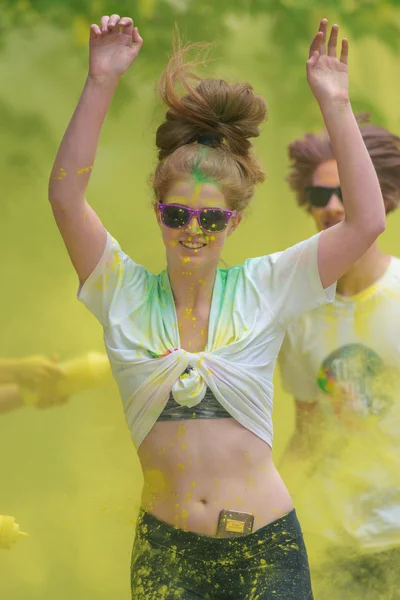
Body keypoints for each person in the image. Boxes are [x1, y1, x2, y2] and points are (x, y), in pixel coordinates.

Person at [48, 13, 386, 599]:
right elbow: (65, 195)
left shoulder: (267, 285)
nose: (193, 230)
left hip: (266, 552)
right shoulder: (120, 291)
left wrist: (335, 102)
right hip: (168, 555)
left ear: (234, 219)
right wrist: (101, 79)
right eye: (178, 214)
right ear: (159, 212)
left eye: (210, 218)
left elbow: (366, 222)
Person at [278, 115, 400, 599]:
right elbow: (306, 435)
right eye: (318, 196)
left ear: (383, 197)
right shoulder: (300, 315)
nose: (330, 208)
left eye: (344, 192)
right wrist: (252, 519)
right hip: (334, 544)